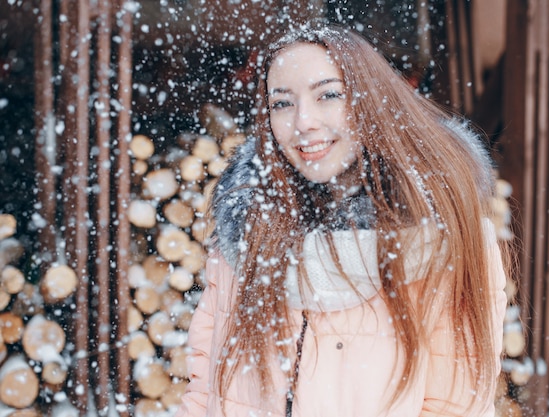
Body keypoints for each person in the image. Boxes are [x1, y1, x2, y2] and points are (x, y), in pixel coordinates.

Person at [176, 23, 509, 417]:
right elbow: (206, 381)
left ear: (371, 100)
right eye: (282, 103)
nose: (304, 122)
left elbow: (456, 405)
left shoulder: (435, 229)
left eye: (328, 95)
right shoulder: (248, 223)